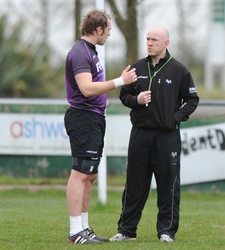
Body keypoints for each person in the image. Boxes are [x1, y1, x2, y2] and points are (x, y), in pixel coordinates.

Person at [109, 27, 199, 243]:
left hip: (167, 137)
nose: (149, 43)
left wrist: (175, 118)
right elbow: (124, 96)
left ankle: (166, 231)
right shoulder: (136, 68)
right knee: (134, 184)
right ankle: (127, 231)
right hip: (139, 134)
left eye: (154, 39)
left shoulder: (179, 70)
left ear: (166, 43)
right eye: (147, 39)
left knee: (168, 184)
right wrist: (136, 100)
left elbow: (192, 100)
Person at [63, 9, 137, 244]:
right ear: (98, 30)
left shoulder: (90, 51)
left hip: (94, 117)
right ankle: (75, 231)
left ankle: (84, 227)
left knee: (90, 174)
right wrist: (120, 82)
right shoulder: (79, 52)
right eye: (108, 29)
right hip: (83, 117)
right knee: (80, 173)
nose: (109, 34)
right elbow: (86, 88)